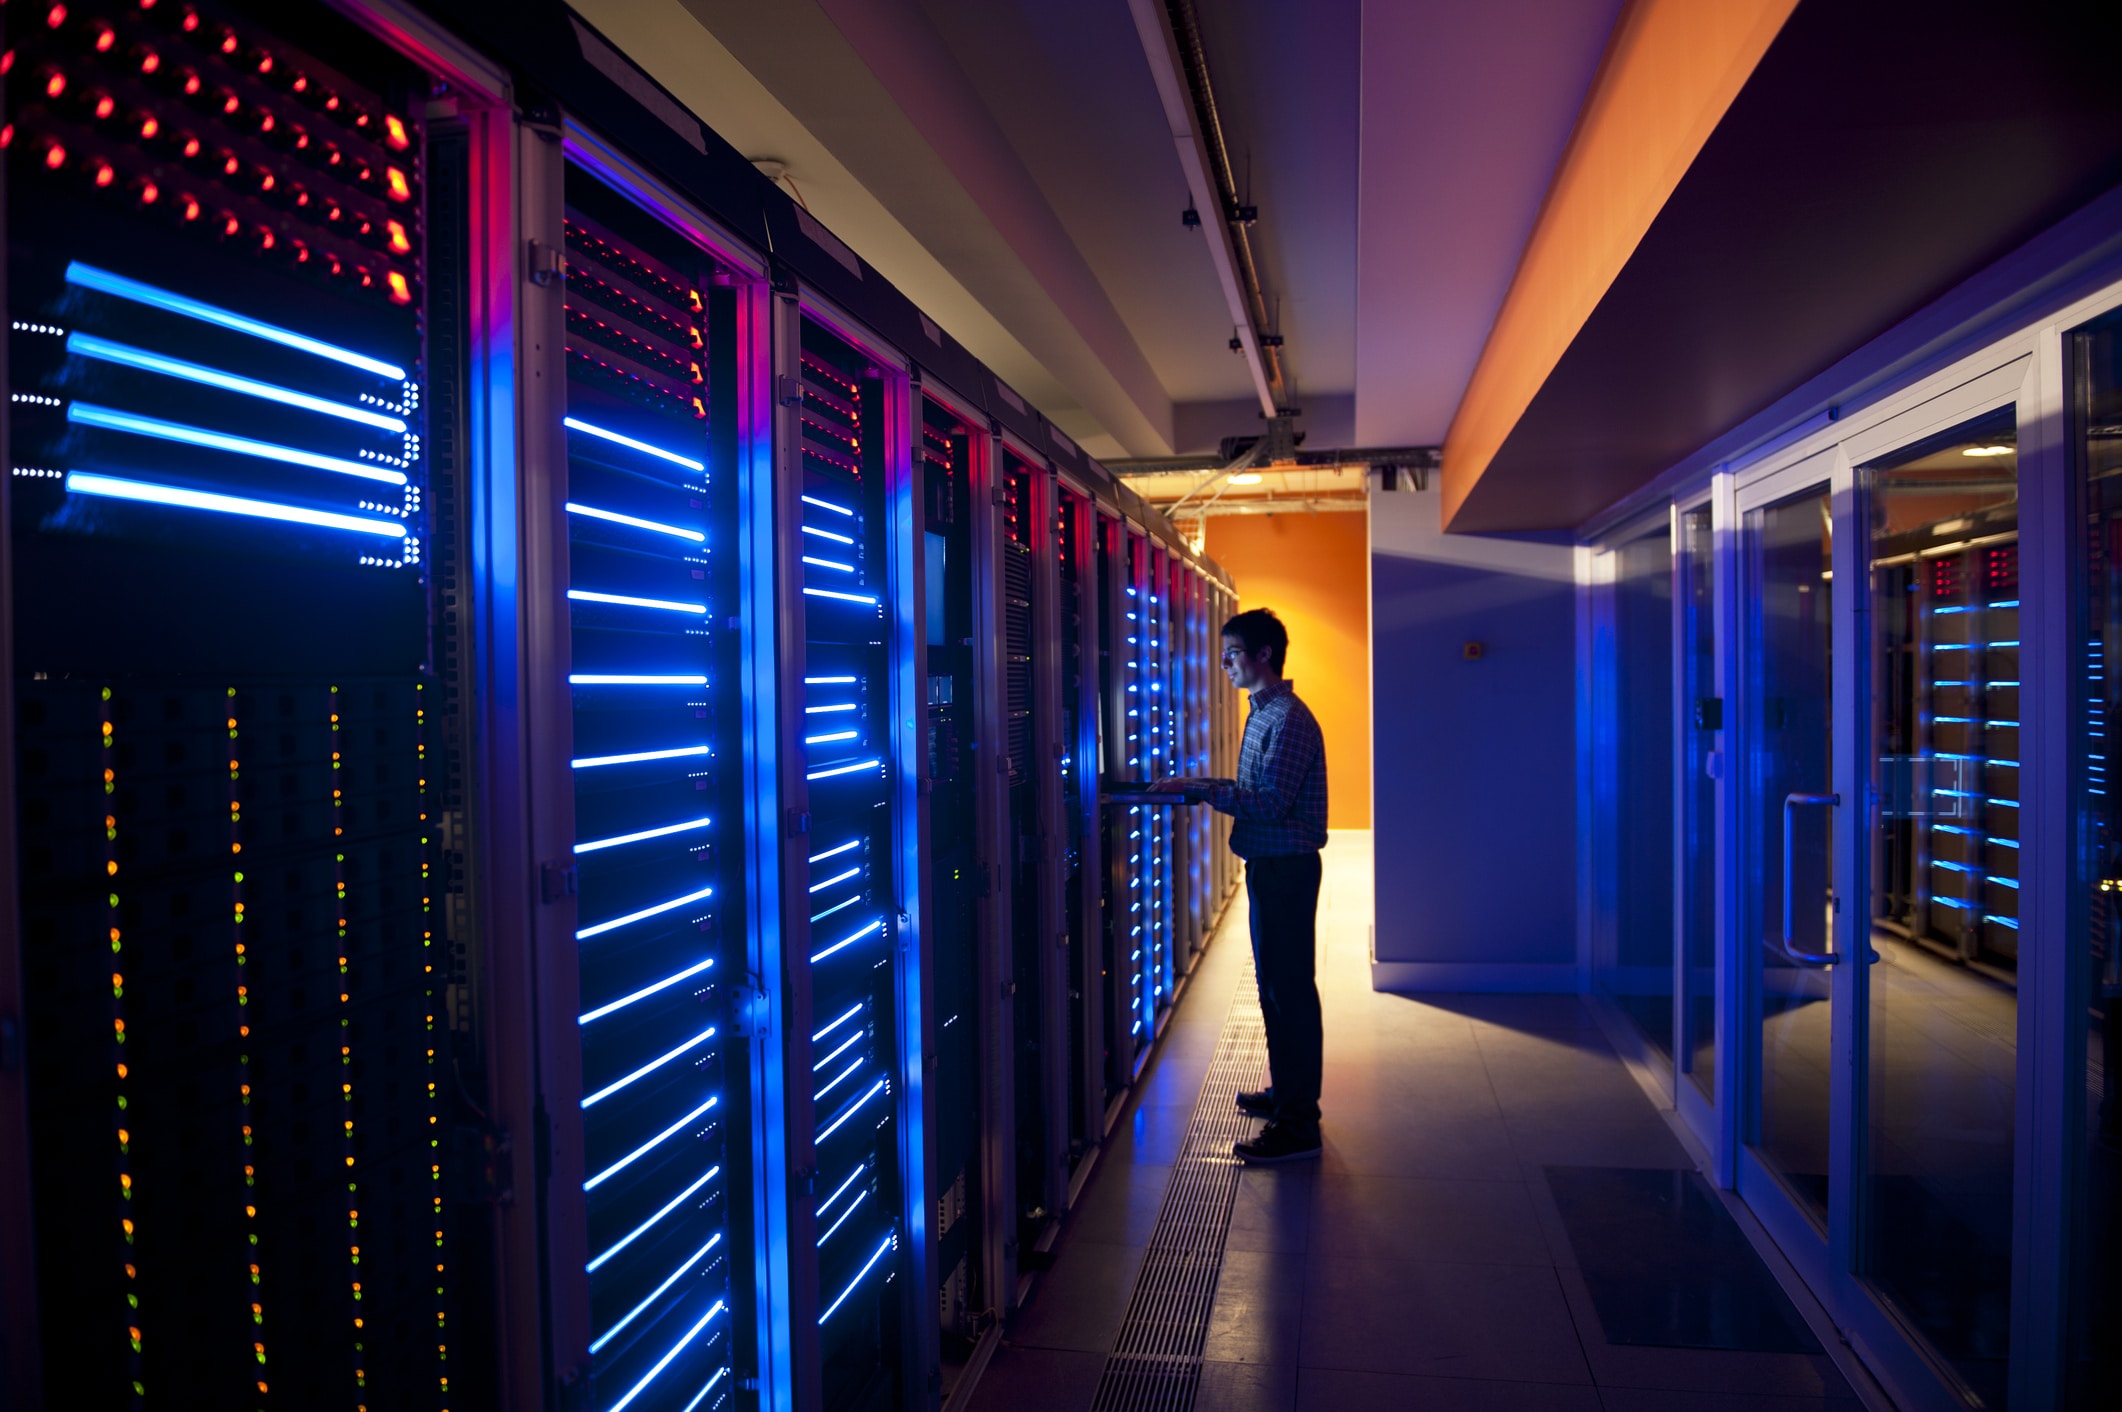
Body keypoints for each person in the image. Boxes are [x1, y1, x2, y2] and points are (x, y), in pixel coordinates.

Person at [1151, 607, 1327, 1163]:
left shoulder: (1287, 719)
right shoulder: (1264, 713)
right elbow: (1256, 788)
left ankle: (1299, 1124)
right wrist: (1195, 782)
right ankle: (1288, 1094)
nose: (1224, 664)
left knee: (1289, 992)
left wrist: (1203, 791)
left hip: (1285, 869)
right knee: (1275, 988)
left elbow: (1270, 804)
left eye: (1231, 654)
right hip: (1271, 867)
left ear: (1263, 655)